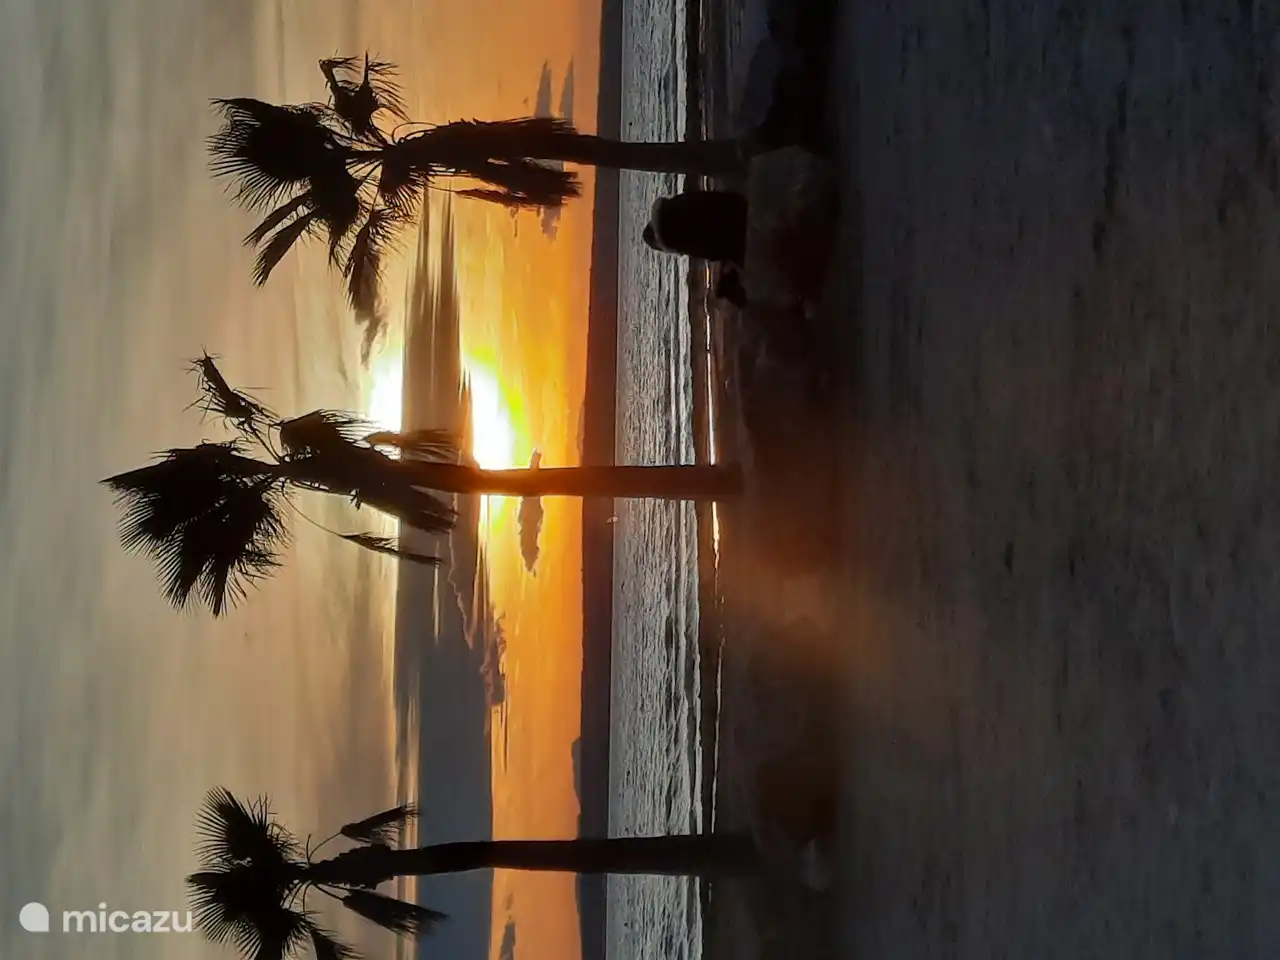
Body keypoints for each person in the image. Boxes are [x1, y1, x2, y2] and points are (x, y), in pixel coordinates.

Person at [642, 189, 749, 307]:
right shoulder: (678, 203)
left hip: (743, 235)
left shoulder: (678, 236)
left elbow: (717, 246)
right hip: (740, 207)